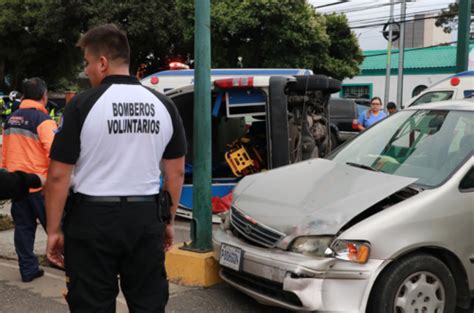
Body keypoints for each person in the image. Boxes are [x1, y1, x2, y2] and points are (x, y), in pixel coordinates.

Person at [45, 24, 186, 313]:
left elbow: (59, 175)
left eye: (87, 63)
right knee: (149, 304)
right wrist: (167, 222)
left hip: (91, 220)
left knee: (91, 305)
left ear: (103, 62)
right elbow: (176, 173)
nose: (87, 72)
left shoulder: (82, 105)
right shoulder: (164, 105)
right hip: (145, 218)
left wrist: (54, 230)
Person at [2, 77, 56, 282]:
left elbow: (4, 153)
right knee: (55, 229)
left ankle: (28, 270)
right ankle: (69, 268)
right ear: (44, 96)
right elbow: (55, 154)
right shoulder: (44, 121)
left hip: (17, 185)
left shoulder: (11, 118)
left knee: (23, 229)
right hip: (41, 186)